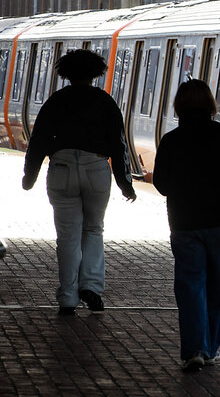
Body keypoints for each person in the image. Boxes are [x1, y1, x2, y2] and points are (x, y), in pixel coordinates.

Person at [22, 49, 137, 316]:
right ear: (96, 74)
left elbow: (38, 140)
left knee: (68, 236)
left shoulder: (56, 101)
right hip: (96, 167)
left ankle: (67, 297)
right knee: (94, 229)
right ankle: (92, 287)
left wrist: (30, 176)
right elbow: (118, 145)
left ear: (66, 74)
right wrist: (125, 183)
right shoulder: (105, 102)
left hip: (61, 167)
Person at [152, 79, 220, 372]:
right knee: (218, 285)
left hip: (184, 223)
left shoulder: (172, 140)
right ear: (210, 104)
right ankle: (210, 348)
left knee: (190, 285)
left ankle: (195, 349)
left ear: (179, 106)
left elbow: (161, 184)